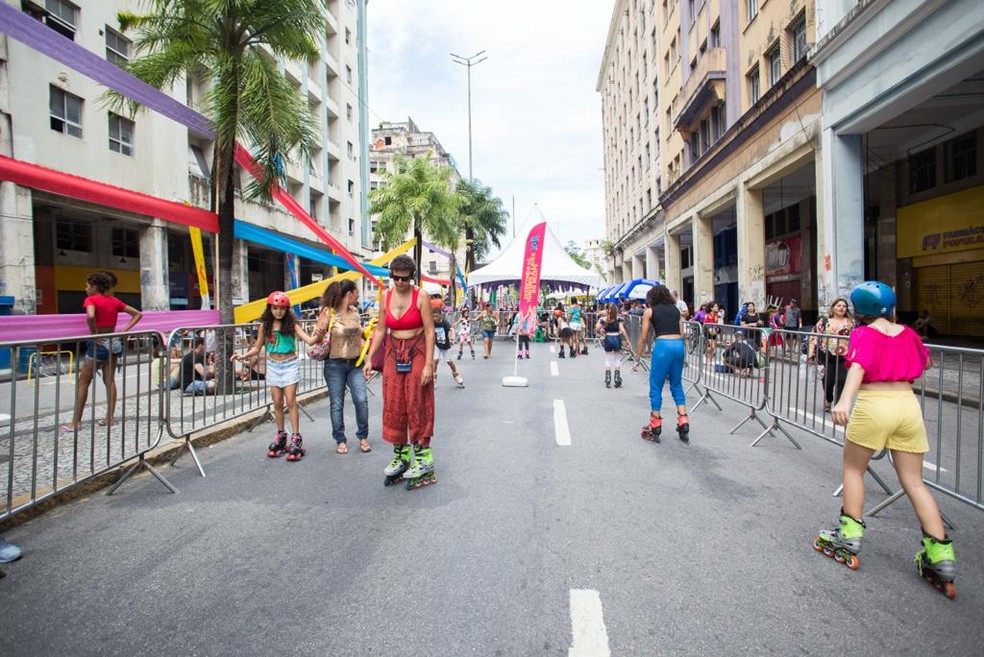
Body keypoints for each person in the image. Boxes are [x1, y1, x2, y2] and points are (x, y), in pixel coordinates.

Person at [815, 281, 956, 598]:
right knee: (915, 482)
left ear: (858, 310)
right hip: (907, 405)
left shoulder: (863, 334)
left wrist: (843, 401)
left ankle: (849, 534)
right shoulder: (908, 333)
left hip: (874, 404)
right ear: (891, 307)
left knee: (854, 470)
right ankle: (941, 555)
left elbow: (859, 366)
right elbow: (926, 362)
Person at [362, 255, 437, 490]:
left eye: (404, 278)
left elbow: (429, 331)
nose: (400, 282)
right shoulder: (386, 295)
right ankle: (401, 455)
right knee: (394, 403)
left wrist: (428, 365)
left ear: (412, 277)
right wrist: (368, 358)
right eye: (395, 278)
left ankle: (424, 459)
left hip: (417, 351)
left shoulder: (421, 296)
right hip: (393, 353)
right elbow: (382, 329)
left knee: (416, 400)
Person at [231, 291, 318, 462]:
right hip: (273, 365)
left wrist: (320, 332)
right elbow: (257, 348)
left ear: (287, 309)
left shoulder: (292, 324)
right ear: (270, 308)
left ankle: (296, 437)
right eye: (275, 308)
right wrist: (243, 356)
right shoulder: (265, 325)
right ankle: (281, 434)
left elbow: (309, 340)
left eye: (282, 308)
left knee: (291, 400)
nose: (278, 311)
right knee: (277, 402)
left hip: (290, 364)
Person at [60, 272, 142, 432]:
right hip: (114, 341)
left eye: (87, 286)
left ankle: (76, 422)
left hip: (99, 343)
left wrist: (94, 332)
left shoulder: (91, 300)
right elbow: (137, 314)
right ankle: (110, 418)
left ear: (94, 287)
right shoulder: (114, 301)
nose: (85, 289)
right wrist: (122, 332)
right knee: (109, 380)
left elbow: (90, 314)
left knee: (83, 381)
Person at [315, 280, 370, 455]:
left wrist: (368, 360)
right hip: (334, 364)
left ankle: (363, 436)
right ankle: (340, 439)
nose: (358, 298)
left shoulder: (355, 313)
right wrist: (319, 329)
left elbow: (359, 338)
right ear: (349, 294)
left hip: (355, 363)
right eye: (357, 294)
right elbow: (317, 336)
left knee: (361, 399)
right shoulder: (328, 313)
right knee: (337, 403)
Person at [638, 285, 689, 443]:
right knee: (676, 385)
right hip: (678, 346)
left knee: (656, 385)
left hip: (662, 347)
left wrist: (637, 356)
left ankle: (655, 423)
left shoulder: (650, 312)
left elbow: (643, 336)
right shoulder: (676, 310)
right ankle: (683, 420)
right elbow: (682, 333)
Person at [807, 298, 857, 412]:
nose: (841, 308)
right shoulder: (824, 322)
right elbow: (813, 336)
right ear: (833, 308)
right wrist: (810, 354)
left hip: (844, 356)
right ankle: (828, 399)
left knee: (842, 379)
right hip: (826, 355)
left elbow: (856, 339)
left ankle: (839, 405)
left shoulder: (851, 323)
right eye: (839, 305)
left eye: (844, 306)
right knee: (828, 380)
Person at [596, 303, 630, 389]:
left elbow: (597, 328)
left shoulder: (603, 319)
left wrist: (602, 333)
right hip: (616, 337)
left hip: (608, 338)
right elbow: (622, 330)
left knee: (608, 358)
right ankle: (617, 378)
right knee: (617, 358)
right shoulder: (619, 319)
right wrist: (627, 340)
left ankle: (608, 378)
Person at [431, 299, 464, 387]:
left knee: (449, 362)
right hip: (437, 344)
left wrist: (452, 336)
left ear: (440, 315)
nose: (435, 318)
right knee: (435, 360)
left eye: (436, 316)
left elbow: (452, 329)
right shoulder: (432, 322)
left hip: (445, 346)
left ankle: (456, 375)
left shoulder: (444, 322)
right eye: (433, 316)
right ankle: (433, 377)